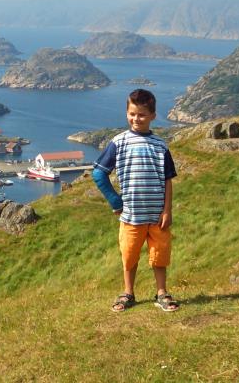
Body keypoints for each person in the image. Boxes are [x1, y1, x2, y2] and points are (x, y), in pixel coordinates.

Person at [92, 88, 179, 312]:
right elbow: (98, 174)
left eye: (141, 114)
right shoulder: (119, 142)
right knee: (129, 256)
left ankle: (162, 293)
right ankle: (128, 293)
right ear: (126, 113)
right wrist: (115, 202)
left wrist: (167, 210)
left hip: (158, 216)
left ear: (152, 115)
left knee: (159, 256)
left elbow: (168, 179)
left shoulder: (160, 146)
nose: (136, 119)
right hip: (131, 216)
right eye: (132, 113)